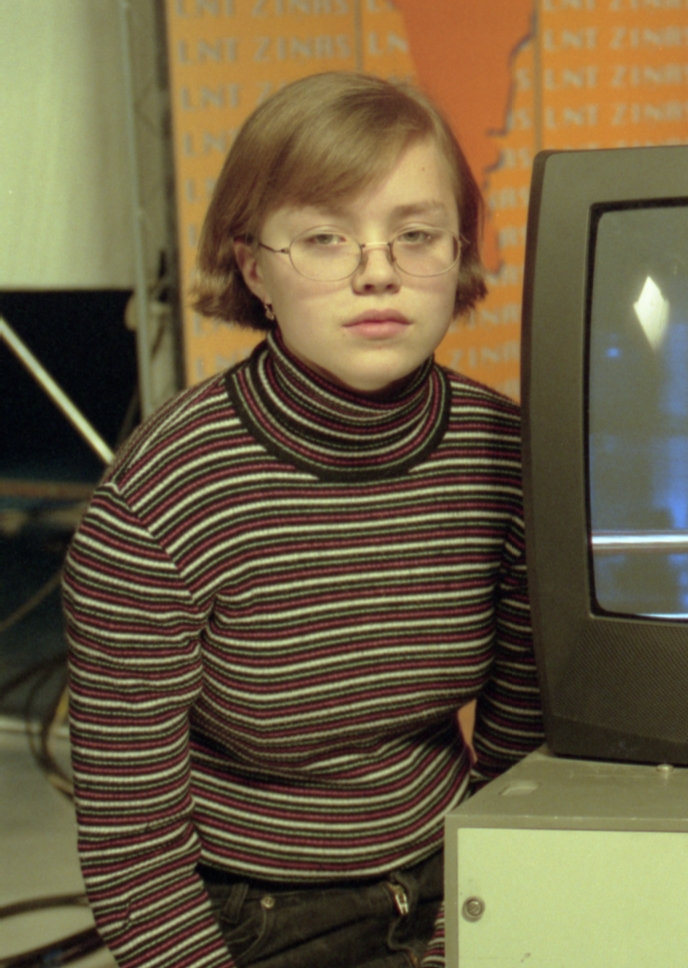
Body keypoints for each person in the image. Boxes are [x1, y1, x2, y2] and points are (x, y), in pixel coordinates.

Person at [62, 72, 542, 968]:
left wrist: (458, 940)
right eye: (325, 238)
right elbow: (133, 845)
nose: (377, 272)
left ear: (459, 252)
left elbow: (519, 757)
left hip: (459, 877)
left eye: (416, 235)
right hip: (248, 916)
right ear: (253, 268)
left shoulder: (508, 456)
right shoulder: (161, 499)